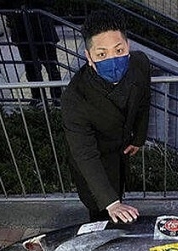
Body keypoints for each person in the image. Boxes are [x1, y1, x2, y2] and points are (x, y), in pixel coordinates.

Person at [62, 9, 151, 223]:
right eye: (102, 54)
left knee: (119, 187)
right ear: (89, 57)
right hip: (95, 159)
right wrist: (111, 203)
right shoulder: (75, 98)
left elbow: (143, 102)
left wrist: (138, 138)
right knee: (100, 210)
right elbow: (85, 154)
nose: (112, 59)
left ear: (128, 47)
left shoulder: (139, 65)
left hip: (121, 150)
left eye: (118, 49)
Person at [0, 0, 63, 102]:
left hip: (42, 28)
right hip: (22, 30)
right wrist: (14, 14)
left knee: (51, 66)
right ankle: (38, 98)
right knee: (31, 68)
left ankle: (57, 97)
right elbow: (0, 6)